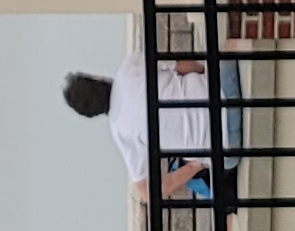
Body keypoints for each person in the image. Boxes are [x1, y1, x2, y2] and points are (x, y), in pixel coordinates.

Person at [66, 53, 218, 209]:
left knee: (189, 172)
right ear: (97, 80)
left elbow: (148, 193)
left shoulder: (121, 133)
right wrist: (204, 73)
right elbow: (184, 65)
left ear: (92, 115)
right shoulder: (129, 67)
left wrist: (195, 165)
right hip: (221, 91)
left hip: (222, 144)